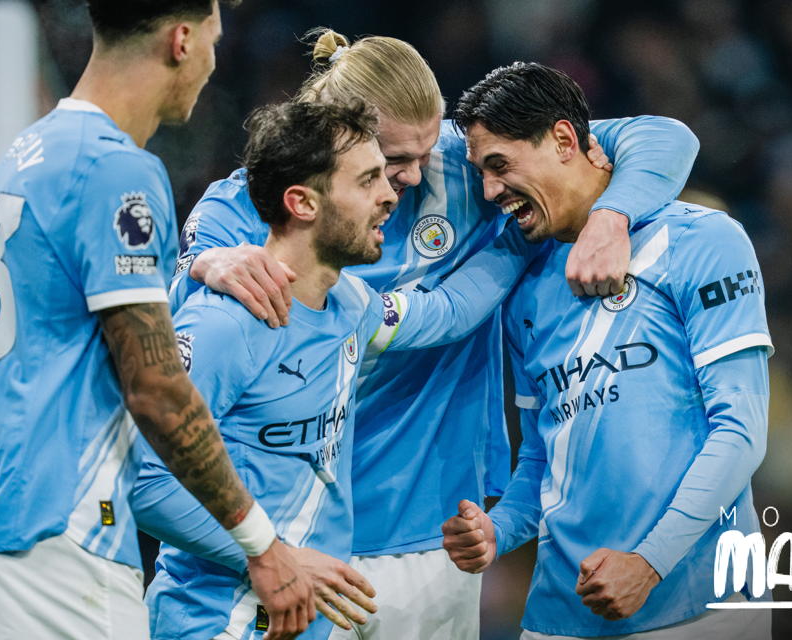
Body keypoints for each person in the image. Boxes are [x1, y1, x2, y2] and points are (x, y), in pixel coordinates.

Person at [167, 30, 700, 639]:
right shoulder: (241, 206)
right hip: (288, 542)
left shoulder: (465, 166)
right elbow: (185, 344)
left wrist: (612, 216)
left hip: (432, 534)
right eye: (392, 161)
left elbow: (663, 137)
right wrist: (204, 263)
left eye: (426, 151)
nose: (417, 177)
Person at [0, 2, 317, 639]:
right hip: (59, 535)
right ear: (182, 41)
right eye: (214, 41)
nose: (216, 63)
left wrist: (195, 266)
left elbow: (70, 320)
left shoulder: (28, 152)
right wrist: (260, 542)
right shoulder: (119, 169)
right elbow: (157, 389)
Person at [133, 98, 542, 640]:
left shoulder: (352, 305)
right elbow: (144, 483)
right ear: (302, 202)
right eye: (369, 179)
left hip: (308, 619)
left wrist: (523, 227)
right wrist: (271, 553)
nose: (391, 195)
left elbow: (448, 313)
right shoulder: (223, 325)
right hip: (217, 618)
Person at [441, 62, 773, 639]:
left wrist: (648, 563)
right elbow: (542, 463)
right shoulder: (523, 293)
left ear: (565, 141)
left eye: (500, 165)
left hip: (701, 609)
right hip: (560, 615)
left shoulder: (703, 240)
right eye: (482, 173)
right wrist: (499, 529)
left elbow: (741, 429)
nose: (490, 191)